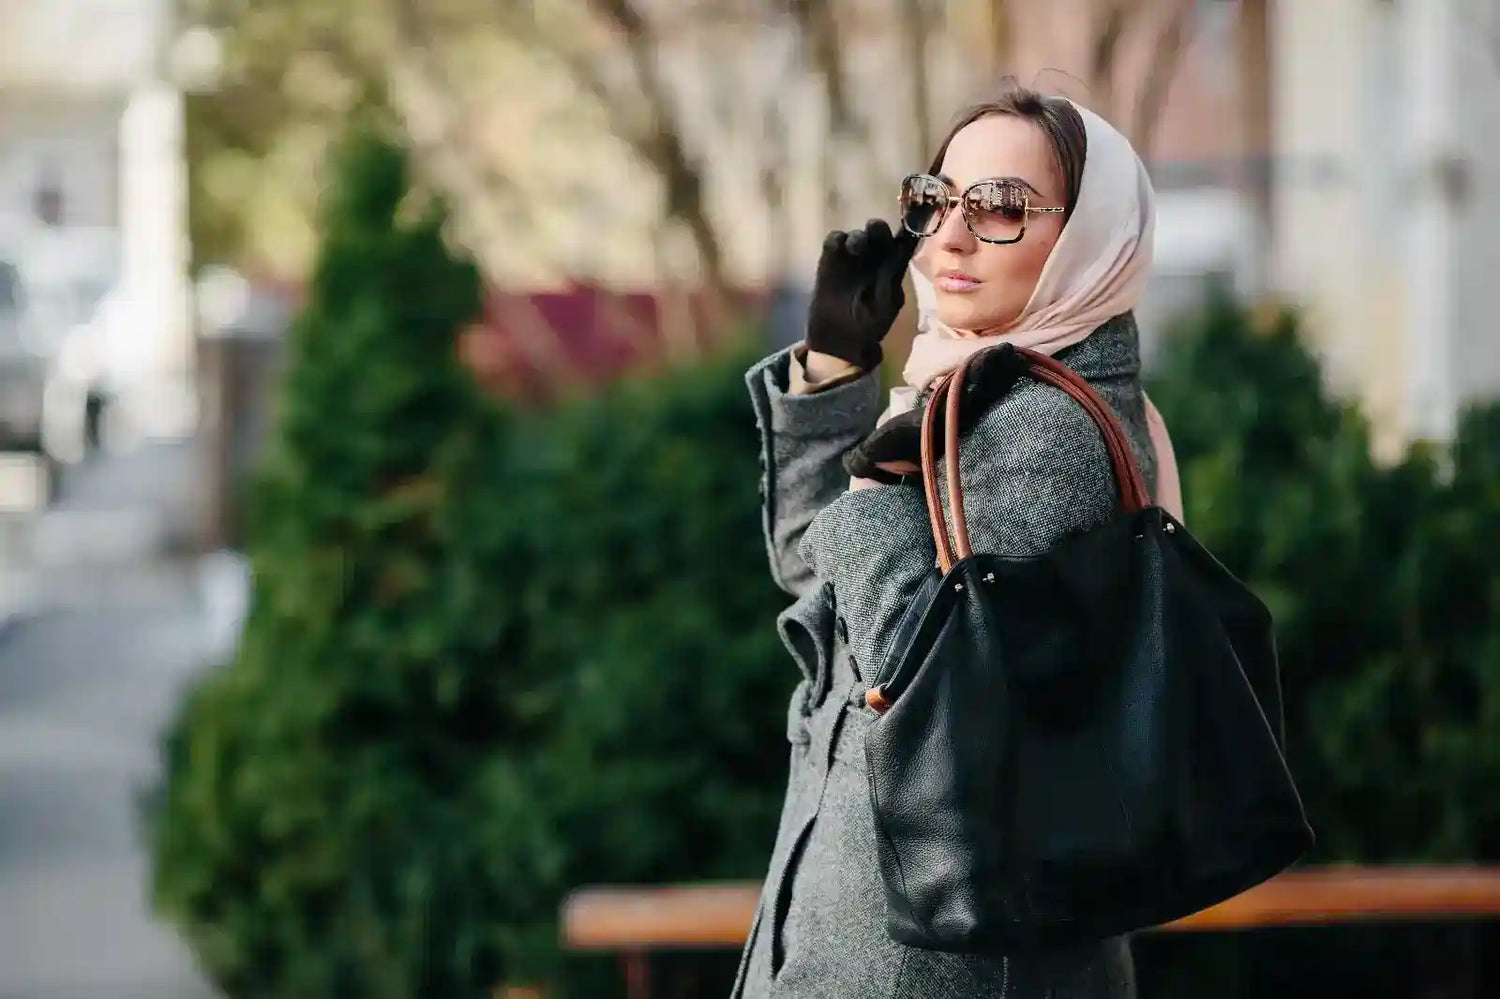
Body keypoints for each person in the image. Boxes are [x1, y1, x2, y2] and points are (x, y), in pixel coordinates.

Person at [732, 87, 1181, 998]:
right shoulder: (955, 395)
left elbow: (917, 669)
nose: (950, 239)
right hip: (874, 928)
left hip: (947, 965)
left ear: (1089, 240)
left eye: (1003, 208)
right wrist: (834, 374)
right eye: (936, 200)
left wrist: (880, 488)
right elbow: (822, 592)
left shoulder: (1050, 430)